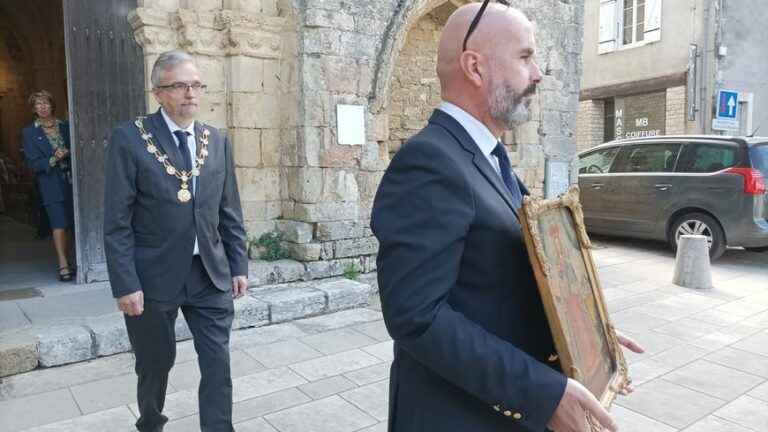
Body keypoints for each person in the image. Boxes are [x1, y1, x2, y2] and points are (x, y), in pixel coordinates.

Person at [371, 3, 643, 432]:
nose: (537, 74)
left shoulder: (491, 159)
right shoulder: (429, 162)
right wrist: (541, 392)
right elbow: (416, 316)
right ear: (475, 68)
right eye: (524, 57)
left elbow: (507, 278)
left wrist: (586, 334)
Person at [104, 50, 248, 432]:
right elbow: (116, 220)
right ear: (158, 93)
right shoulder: (129, 139)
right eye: (180, 85)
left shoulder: (216, 140)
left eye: (196, 84)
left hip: (209, 274)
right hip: (153, 278)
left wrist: (239, 264)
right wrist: (125, 282)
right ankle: (150, 422)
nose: (191, 93)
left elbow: (228, 208)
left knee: (218, 362)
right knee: (155, 363)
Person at [22, 90, 74, 281]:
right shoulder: (29, 133)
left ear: (52, 105)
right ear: (34, 109)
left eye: (46, 103)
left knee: (72, 222)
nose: (43, 107)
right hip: (51, 183)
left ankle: (73, 259)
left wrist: (68, 152)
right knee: (59, 223)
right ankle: (63, 264)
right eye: (38, 104)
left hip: (72, 180)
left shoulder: (66, 126)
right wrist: (53, 159)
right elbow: (33, 163)